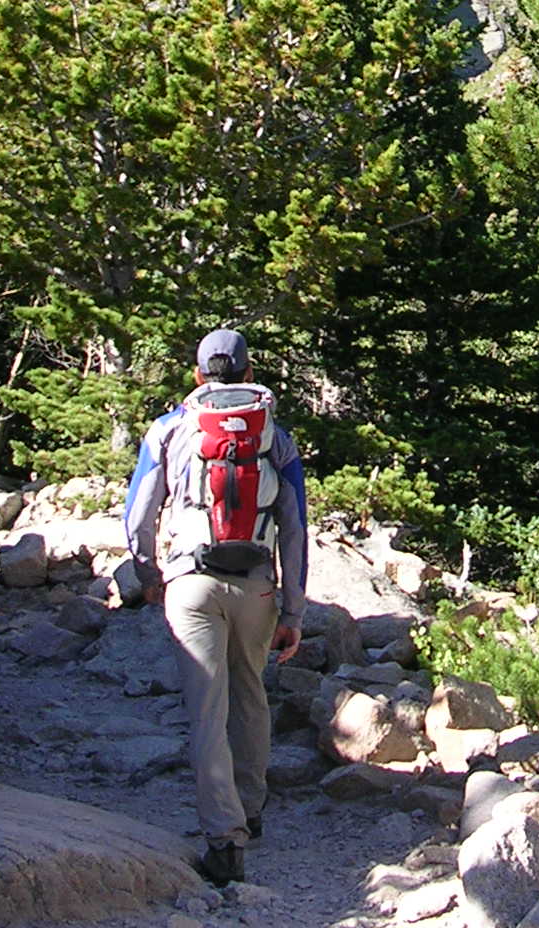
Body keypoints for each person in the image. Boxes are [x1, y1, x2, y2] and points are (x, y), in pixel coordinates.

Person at [124, 327, 308, 885]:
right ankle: (249, 811)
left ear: (199, 375)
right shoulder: (274, 435)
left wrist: (148, 572)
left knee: (207, 708)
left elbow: (138, 514)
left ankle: (224, 842)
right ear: (249, 374)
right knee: (250, 695)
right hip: (255, 585)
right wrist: (294, 612)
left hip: (191, 582)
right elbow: (296, 528)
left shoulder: (170, 429)